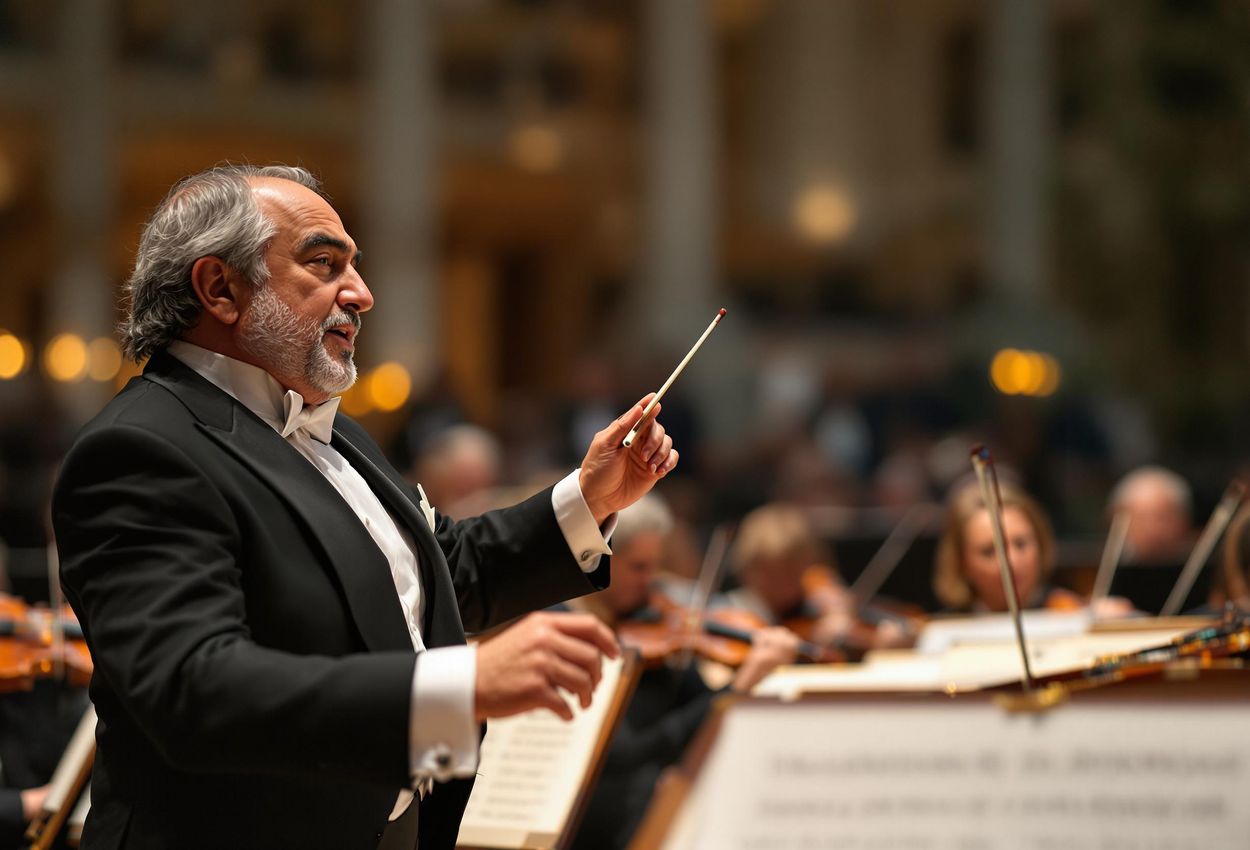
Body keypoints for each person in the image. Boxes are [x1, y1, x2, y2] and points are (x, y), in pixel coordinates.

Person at [50, 164, 680, 850]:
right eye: (325, 264)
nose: (363, 294)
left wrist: (589, 500)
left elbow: (431, 575)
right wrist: (459, 685)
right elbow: (194, 687)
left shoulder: (334, 429)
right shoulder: (139, 450)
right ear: (219, 289)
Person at [565, 495, 797, 850]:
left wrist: (739, 687)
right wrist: (742, 683)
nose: (651, 582)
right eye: (638, 567)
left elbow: (702, 709)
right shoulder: (567, 629)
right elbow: (624, 752)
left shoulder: (660, 632)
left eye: (654, 567)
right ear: (595, 560)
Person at [1107, 465, 1195, 563]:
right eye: (1142, 519)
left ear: (1183, 521)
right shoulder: (1101, 567)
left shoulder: (1198, 563)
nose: (1152, 528)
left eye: (1162, 519)